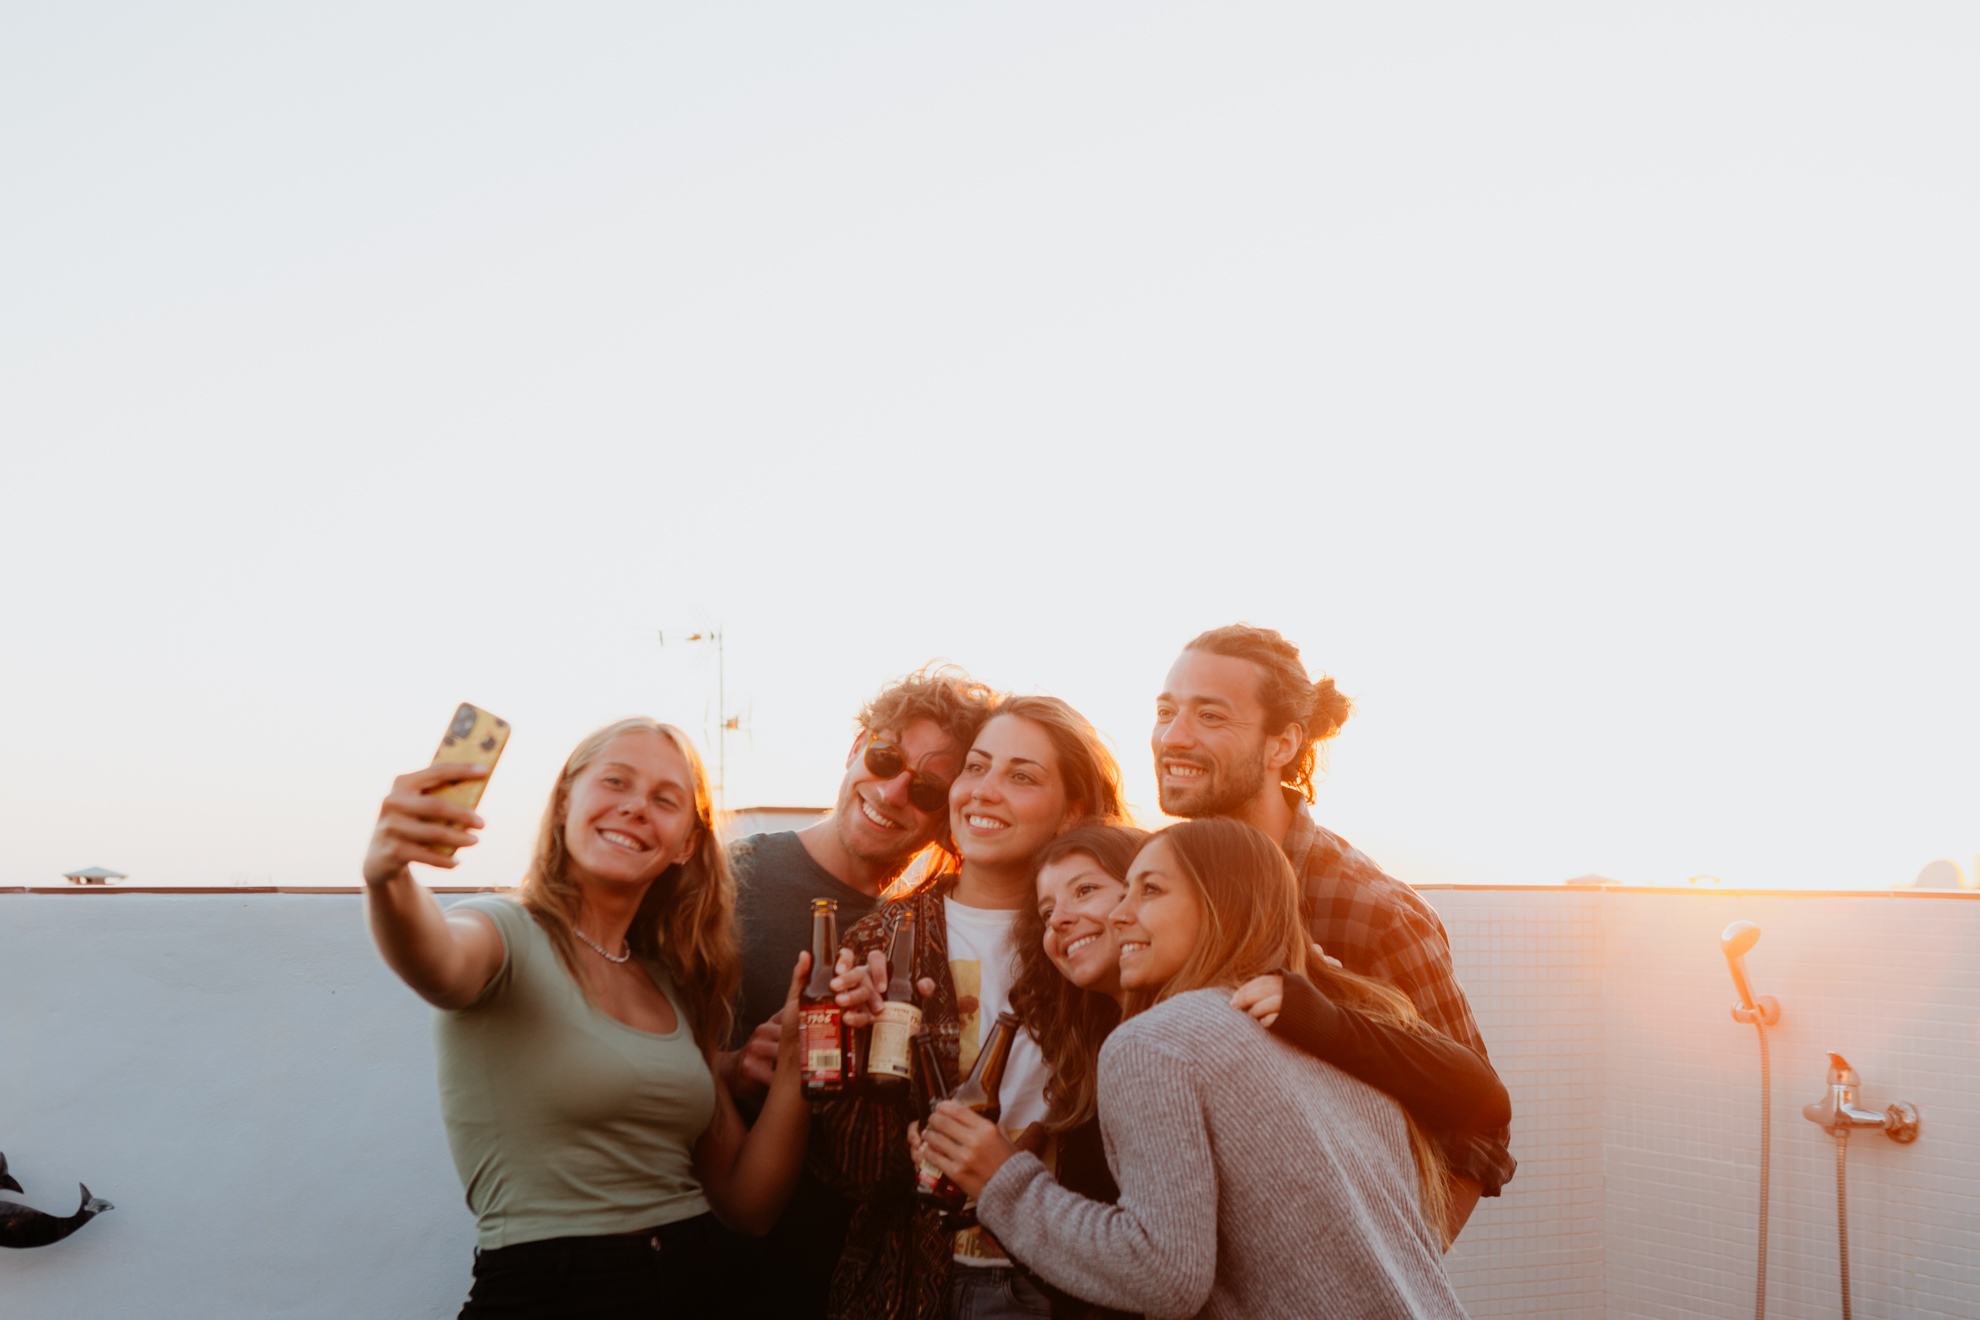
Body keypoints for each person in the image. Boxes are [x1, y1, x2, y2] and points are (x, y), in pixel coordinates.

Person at [920, 821, 1510, 1320]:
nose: (1119, 914)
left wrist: (1005, 1184)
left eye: (1143, 890)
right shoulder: (1281, 1030)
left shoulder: (1160, 1041)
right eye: (1046, 910)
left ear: (1220, 899)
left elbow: (1165, 1276)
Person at [361, 717, 814, 1319]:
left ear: (685, 844)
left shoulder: (668, 985)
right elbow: (437, 962)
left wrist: (800, 1059)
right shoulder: (503, 932)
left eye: (664, 799)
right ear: (565, 800)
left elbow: (747, 1203)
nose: (634, 808)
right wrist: (387, 876)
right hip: (553, 1293)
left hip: (698, 1283)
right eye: (616, 782)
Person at [1152, 623, 1516, 1230]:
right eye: (1166, 711)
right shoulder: (1154, 884)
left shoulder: (1370, 910)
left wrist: (1384, 1272)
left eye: (1210, 716)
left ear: (1282, 744)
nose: (1174, 736)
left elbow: (1481, 1125)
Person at [813, 694, 1130, 1320]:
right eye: (976, 767)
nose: (984, 790)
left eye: (1021, 776)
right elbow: (838, 1160)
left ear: (1071, 812)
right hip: (914, 1281)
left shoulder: (1104, 937)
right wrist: (897, 1144)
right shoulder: (882, 939)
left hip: (1065, 1283)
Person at [720, 665, 998, 1319]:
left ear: (951, 815)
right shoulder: (727, 882)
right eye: (884, 757)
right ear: (854, 749)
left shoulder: (933, 932)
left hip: (864, 1285)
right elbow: (620, 1036)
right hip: (723, 1272)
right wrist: (729, 1066)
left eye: (929, 788)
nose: (895, 790)